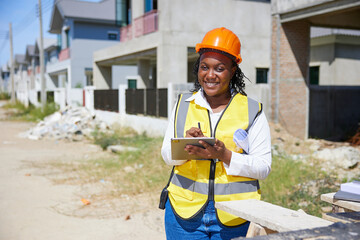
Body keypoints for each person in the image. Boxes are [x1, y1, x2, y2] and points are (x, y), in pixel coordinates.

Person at [160, 27, 272, 240]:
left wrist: (225, 155)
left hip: (235, 215)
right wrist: (184, 148)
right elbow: (167, 156)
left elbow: (263, 167)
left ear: (233, 71)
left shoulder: (252, 110)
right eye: (204, 67)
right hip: (183, 213)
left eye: (219, 68)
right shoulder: (182, 105)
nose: (210, 75)